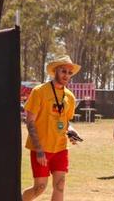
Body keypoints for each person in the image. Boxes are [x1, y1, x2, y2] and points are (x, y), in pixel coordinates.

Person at [22, 55, 82, 201]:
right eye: (63, 71)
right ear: (55, 71)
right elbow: (30, 121)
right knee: (39, 188)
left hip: (60, 148)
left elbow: (65, 122)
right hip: (41, 148)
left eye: (69, 73)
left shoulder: (70, 97)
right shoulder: (39, 91)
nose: (66, 75)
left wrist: (72, 131)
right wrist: (39, 150)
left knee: (60, 186)